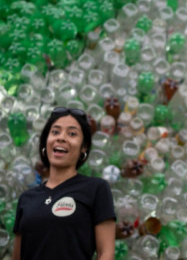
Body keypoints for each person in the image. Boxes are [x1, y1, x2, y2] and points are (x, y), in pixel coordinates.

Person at [13, 107, 116, 260]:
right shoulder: (27, 198)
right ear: (45, 141)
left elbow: (106, 254)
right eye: (55, 132)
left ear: (84, 147)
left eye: (72, 134)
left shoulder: (96, 189)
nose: (61, 138)